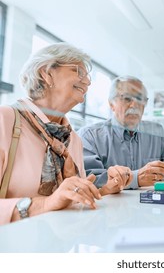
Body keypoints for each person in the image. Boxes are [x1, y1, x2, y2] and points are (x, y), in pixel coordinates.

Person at [0, 43, 132, 225]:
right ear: (46, 73)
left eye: (87, 75)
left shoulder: (72, 139)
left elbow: (72, 200)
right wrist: (46, 203)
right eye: (77, 71)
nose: (87, 82)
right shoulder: (4, 120)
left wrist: (105, 190)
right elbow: (54, 203)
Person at [78, 75, 164, 189]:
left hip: (155, 204)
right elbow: (91, 178)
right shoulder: (90, 136)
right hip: (112, 206)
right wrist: (136, 179)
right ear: (112, 104)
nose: (134, 105)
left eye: (140, 99)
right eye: (127, 98)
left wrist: (156, 174)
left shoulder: (157, 132)